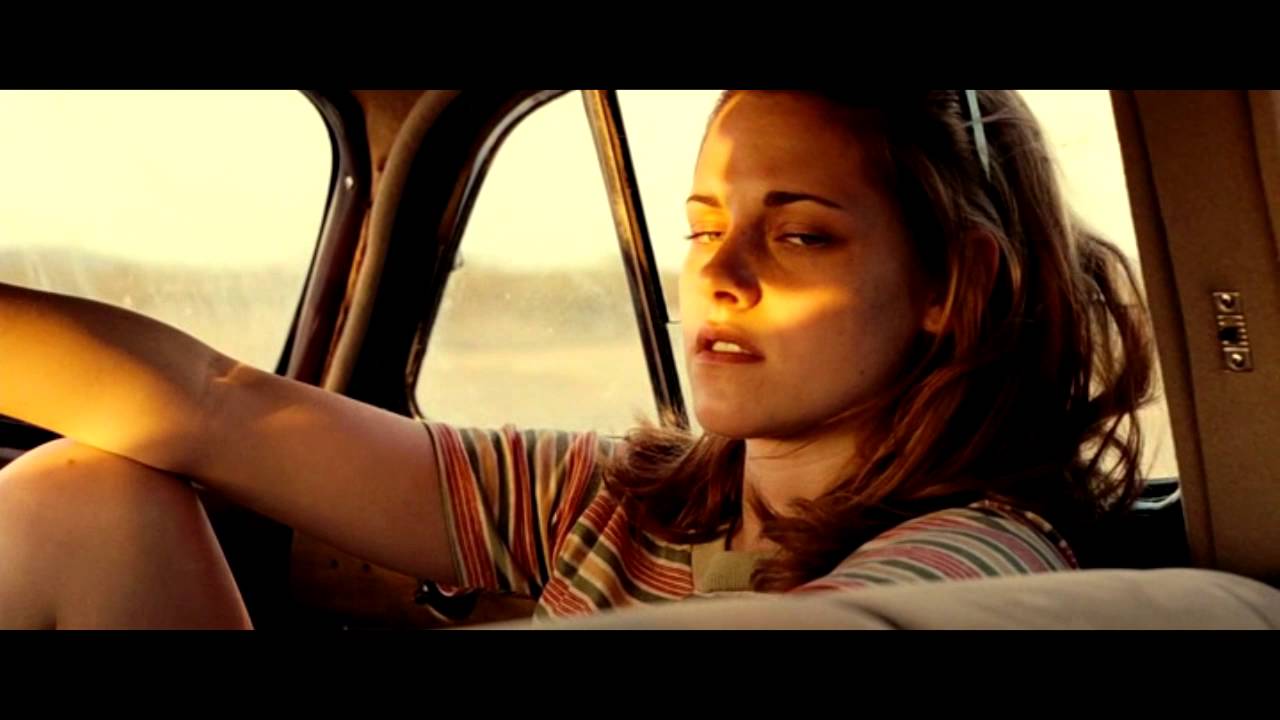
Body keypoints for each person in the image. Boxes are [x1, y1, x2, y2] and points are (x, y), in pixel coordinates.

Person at [0, 90, 1154, 628]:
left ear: (953, 287)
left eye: (798, 234)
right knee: (87, 494)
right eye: (702, 228)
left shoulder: (982, 559)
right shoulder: (612, 503)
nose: (718, 272)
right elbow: (215, 405)